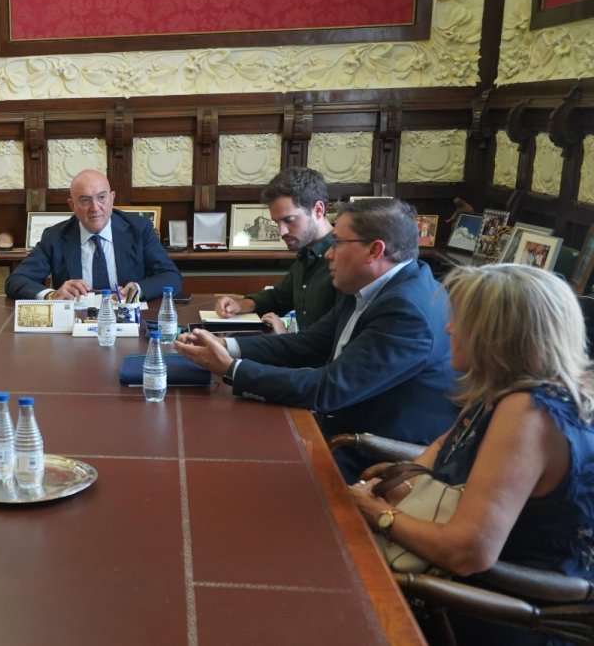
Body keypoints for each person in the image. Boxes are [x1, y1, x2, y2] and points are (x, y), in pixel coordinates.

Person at [350, 264, 594, 645]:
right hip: (459, 583)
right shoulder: (501, 389)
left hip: (497, 611)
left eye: (461, 321)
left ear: (497, 336)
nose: (449, 329)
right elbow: (437, 454)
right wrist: (401, 486)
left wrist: (378, 513)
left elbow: (467, 552)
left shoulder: (528, 413)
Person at [175, 198, 457, 481]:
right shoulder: (368, 286)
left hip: (375, 456)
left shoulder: (407, 311)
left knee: (232, 470)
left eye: (338, 243)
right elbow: (308, 344)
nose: (328, 255)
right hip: (340, 427)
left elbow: (329, 389)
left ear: (374, 250)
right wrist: (227, 345)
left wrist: (230, 368)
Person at [4, 169, 181, 301]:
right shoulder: (55, 236)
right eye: (85, 200)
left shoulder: (139, 229)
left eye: (101, 197)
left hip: (127, 318)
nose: (95, 208)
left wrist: (137, 289)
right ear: (72, 205)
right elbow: (16, 280)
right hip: (75, 321)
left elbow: (171, 277)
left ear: (112, 198)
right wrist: (52, 295)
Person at [213, 167, 339, 333]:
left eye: (289, 220)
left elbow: (332, 339)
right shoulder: (307, 253)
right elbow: (279, 297)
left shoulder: (344, 258)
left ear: (318, 210)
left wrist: (284, 337)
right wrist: (241, 305)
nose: (281, 232)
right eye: (276, 223)